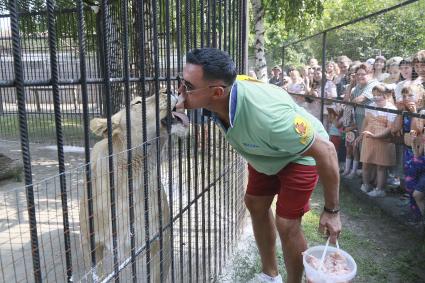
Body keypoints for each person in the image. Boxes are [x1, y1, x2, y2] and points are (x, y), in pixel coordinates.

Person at [176, 48, 341, 283]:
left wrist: (332, 211)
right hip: (266, 151)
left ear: (218, 92)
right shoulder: (218, 99)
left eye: (188, 87)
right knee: (255, 203)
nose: (180, 91)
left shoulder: (270, 118)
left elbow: (327, 151)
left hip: (299, 154)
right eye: (180, 81)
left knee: (287, 224)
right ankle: (270, 275)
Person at [357, 84, 397, 196]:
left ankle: (380, 189)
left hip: (383, 138)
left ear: (386, 95)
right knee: (366, 162)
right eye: (374, 95)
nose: (376, 97)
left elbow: (390, 128)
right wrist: (361, 134)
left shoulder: (392, 109)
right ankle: (366, 185)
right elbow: (365, 121)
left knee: (381, 165)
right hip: (368, 136)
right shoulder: (369, 105)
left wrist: (376, 136)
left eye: (379, 95)